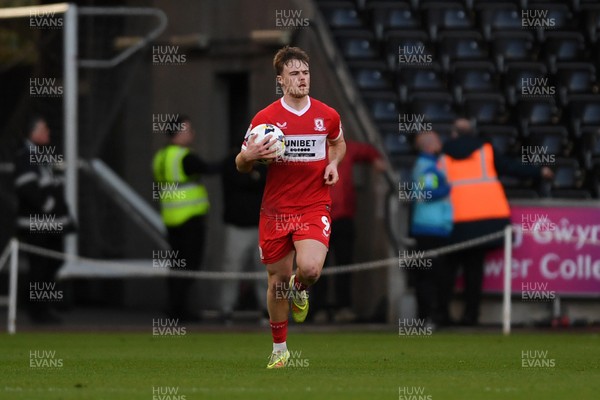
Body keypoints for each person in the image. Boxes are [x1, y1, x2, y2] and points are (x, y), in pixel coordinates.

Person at [235, 46, 346, 368]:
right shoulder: (264, 120)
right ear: (281, 80)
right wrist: (249, 156)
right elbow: (241, 164)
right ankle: (280, 350)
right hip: (276, 210)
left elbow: (338, 143)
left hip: (314, 204)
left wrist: (334, 163)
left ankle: (302, 287)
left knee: (310, 269)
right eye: (295, 73)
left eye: (305, 73)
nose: (302, 78)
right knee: (277, 282)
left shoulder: (327, 115)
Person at [438, 118, 553, 326]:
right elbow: (512, 167)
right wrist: (539, 171)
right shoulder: (486, 149)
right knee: (474, 270)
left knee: (448, 270)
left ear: (453, 133)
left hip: (454, 220)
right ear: (472, 132)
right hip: (486, 219)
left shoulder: (442, 154)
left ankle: (442, 315)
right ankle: (470, 316)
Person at [152, 115, 219, 322]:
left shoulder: (161, 156)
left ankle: (174, 307)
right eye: (188, 130)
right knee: (190, 264)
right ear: (179, 133)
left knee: (177, 264)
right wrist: (239, 157)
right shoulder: (184, 156)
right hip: (189, 218)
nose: (192, 134)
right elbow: (209, 168)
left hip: (170, 218)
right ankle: (178, 309)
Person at [312, 139, 385, 323]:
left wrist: (376, 159)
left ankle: (342, 307)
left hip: (343, 216)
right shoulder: (312, 149)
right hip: (318, 218)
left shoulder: (348, 148)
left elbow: (368, 150)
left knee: (344, 265)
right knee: (315, 267)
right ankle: (318, 308)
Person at [13, 114, 75, 324]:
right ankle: (37, 310)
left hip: (50, 224)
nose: (48, 133)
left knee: (54, 261)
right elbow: (28, 189)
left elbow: (55, 187)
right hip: (37, 224)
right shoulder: (26, 156)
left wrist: (64, 217)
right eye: (44, 129)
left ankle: (35, 303)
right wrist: (49, 207)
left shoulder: (42, 156)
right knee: (40, 267)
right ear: (34, 133)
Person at [220, 147, 268, 325]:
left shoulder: (265, 164)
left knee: (264, 271)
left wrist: (254, 176)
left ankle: (267, 310)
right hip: (237, 226)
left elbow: (262, 180)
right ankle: (226, 309)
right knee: (231, 269)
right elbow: (241, 180)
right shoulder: (231, 162)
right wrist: (251, 177)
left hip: (262, 226)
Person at [409, 131, 452, 328]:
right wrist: (447, 187)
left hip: (430, 226)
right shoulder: (428, 168)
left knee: (430, 275)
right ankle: (427, 318)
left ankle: (428, 317)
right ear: (430, 146)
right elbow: (427, 193)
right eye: (437, 141)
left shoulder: (426, 165)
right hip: (430, 227)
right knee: (430, 276)